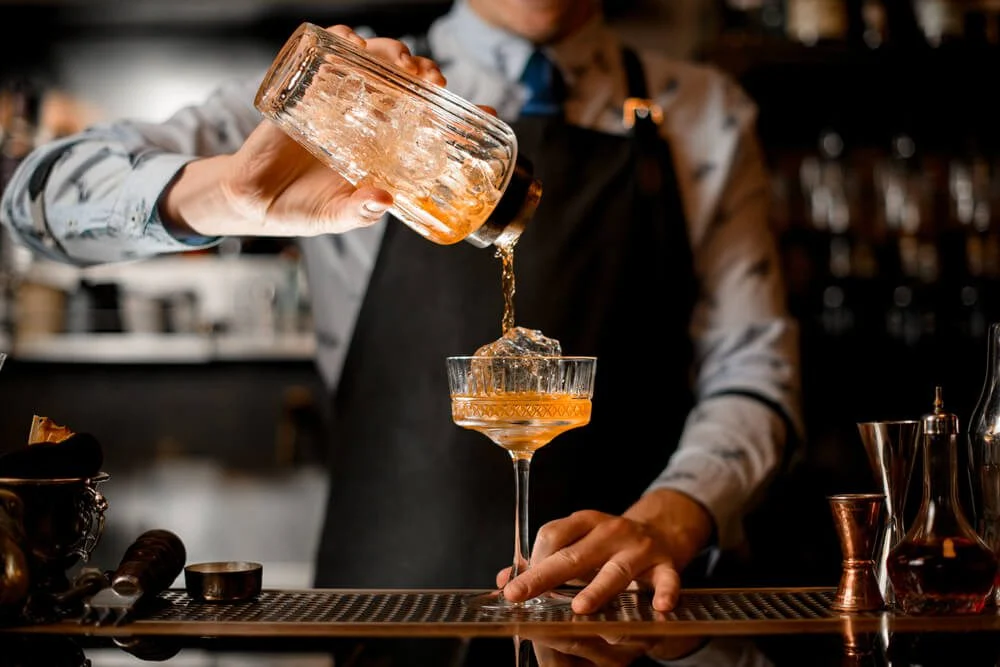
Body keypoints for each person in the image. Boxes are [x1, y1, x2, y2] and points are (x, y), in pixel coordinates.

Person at [0, 0, 802, 618]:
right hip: (386, 613)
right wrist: (226, 194)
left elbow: (756, 377)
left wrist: (674, 517)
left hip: (628, 618)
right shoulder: (348, 93)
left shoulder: (704, 113)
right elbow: (33, 200)